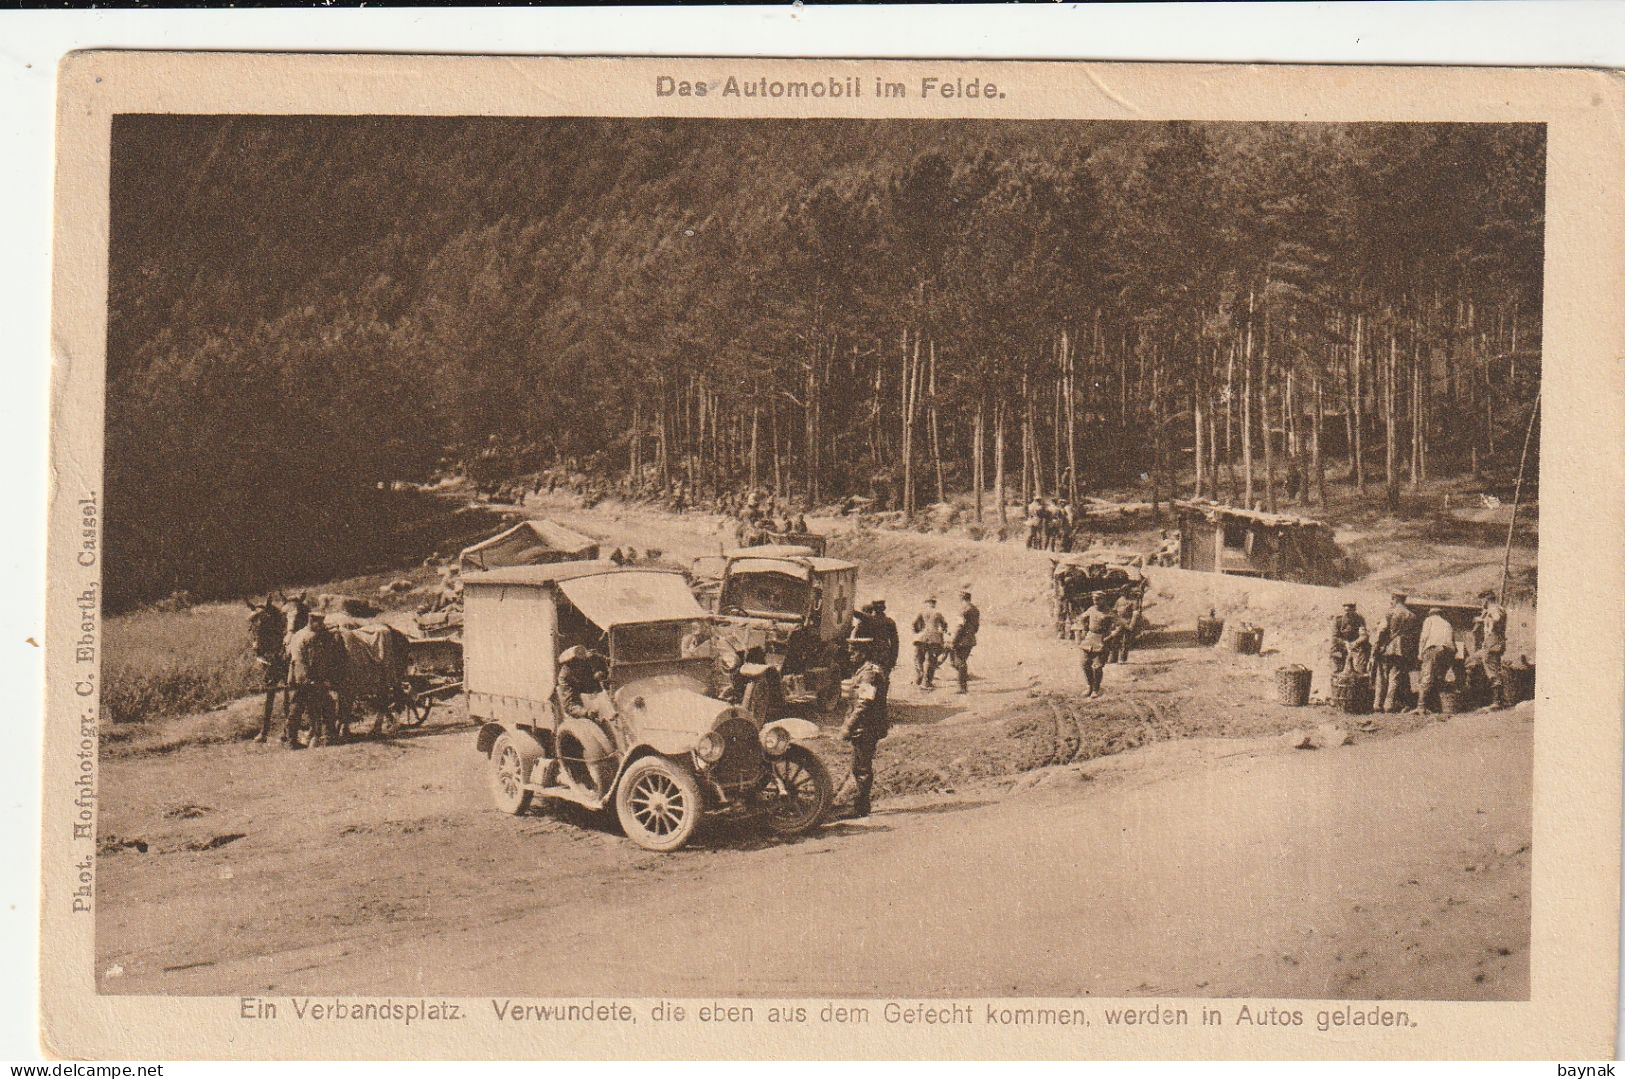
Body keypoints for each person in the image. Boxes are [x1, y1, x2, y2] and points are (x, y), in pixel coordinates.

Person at [838, 636, 890, 819]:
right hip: (865, 724)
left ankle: (860, 808)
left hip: (867, 726)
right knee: (859, 765)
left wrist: (848, 727)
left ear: (864, 652)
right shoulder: (863, 670)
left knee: (862, 768)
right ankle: (860, 804)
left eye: (854, 651)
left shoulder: (869, 674)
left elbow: (863, 703)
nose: (851, 655)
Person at [286, 612, 344, 748]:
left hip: (295, 676)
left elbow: (290, 655)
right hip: (308, 678)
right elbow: (314, 661)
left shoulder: (298, 634)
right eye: (320, 623)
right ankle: (328, 736)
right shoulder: (312, 638)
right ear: (312, 622)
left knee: (296, 707)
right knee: (327, 704)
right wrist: (320, 680)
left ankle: (291, 740)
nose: (322, 626)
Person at [1373, 591, 1421, 713]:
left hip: (1387, 648)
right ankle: (1388, 705)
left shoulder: (1389, 613)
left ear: (1394, 599)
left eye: (1392, 599)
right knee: (1394, 677)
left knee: (1381, 677)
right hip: (1402, 650)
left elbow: (1381, 631)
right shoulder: (1412, 616)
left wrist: (1376, 646)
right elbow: (1414, 636)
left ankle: (1377, 705)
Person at [1470, 588, 1511, 710]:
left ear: (1486, 599)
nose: (1481, 603)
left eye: (1482, 600)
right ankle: (1498, 700)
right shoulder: (1497, 608)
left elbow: (1497, 618)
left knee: (1491, 669)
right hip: (1495, 641)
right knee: (1488, 666)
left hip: (1492, 641)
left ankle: (1496, 702)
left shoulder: (1493, 609)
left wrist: (1481, 619)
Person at [1415, 607, 1457, 714]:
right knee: (1439, 678)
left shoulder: (1429, 620)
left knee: (1426, 677)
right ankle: (1438, 707)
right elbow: (1453, 643)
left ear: (1431, 614)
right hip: (1448, 651)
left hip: (1434, 649)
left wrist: (1420, 653)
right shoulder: (1447, 623)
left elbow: (1424, 637)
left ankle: (1421, 707)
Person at [556, 645, 611, 724]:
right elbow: (570, 706)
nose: (582, 664)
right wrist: (586, 712)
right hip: (584, 710)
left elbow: (606, 661)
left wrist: (602, 673)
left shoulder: (587, 661)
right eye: (576, 662)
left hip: (598, 701)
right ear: (569, 664)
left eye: (583, 660)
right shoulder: (565, 678)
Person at [1077, 592, 1115, 699]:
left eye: (1098, 599)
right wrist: (1084, 628)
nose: (1096, 601)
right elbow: (1082, 617)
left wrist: (1110, 637)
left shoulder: (1109, 612)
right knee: (1084, 664)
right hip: (1089, 639)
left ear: (1104, 599)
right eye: (1094, 599)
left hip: (1101, 640)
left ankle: (1096, 689)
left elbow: (1119, 626)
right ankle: (1089, 686)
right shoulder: (1091, 609)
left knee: (1097, 667)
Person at [911, 596, 948, 688]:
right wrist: (941, 632)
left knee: (918, 659)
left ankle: (919, 677)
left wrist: (917, 632)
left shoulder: (921, 612)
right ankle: (926, 682)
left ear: (926, 602)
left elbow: (914, 623)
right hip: (934, 639)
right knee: (931, 660)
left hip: (921, 638)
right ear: (934, 603)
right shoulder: (938, 613)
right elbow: (944, 625)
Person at [949, 588, 981, 694]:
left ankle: (962, 687)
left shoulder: (962, 610)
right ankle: (963, 682)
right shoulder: (975, 609)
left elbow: (959, 626)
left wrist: (954, 640)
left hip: (961, 639)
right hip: (971, 639)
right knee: (960, 662)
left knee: (958, 662)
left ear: (961, 598)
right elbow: (976, 627)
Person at [1329, 601, 1371, 675]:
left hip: (1355, 645)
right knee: (1336, 653)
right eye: (1346, 611)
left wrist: (1356, 643)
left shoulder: (1359, 618)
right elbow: (1334, 637)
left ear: (1354, 610)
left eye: (1350, 611)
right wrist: (1345, 643)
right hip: (1341, 645)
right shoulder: (1338, 620)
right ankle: (1337, 672)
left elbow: (1364, 635)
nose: (1348, 614)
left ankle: (1361, 671)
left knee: (1366, 646)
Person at [1110, 591, 1138, 663]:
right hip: (1119, 622)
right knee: (1115, 640)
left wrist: (1132, 624)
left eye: (1126, 591)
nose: (1124, 594)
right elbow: (1114, 611)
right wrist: (1113, 621)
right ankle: (1113, 658)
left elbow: (1135, 614)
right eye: (1123, 592)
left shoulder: (1133, 601)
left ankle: (1122, 659)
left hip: (1127, 622)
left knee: (1125, 641)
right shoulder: (1119, 600)